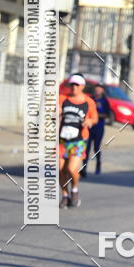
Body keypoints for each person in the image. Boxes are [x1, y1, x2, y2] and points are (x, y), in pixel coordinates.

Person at [58, 74, 97, 207]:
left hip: (78, 141)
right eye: (72, 84)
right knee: (60, 169)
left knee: (71, 168)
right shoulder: (62, 99)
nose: (74, 87)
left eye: (76, 85)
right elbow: (53, 114)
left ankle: (74, 190)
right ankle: (64, 195)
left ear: (82, 86)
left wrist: (89, 121)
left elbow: (94, 118)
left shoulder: (88, 102)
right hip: (61, 140)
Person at [83, 83, 111, 177]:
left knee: (96, 148)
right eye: (96, 90)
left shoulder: (104, 101)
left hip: (99, 127)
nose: (97, 92)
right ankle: (84, 169)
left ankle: (98, 164)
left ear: (102, 91)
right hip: (89, 127)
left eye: (99, 90)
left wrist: (96, 115)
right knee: (86, 149)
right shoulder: (90, 99)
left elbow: (107, 115)